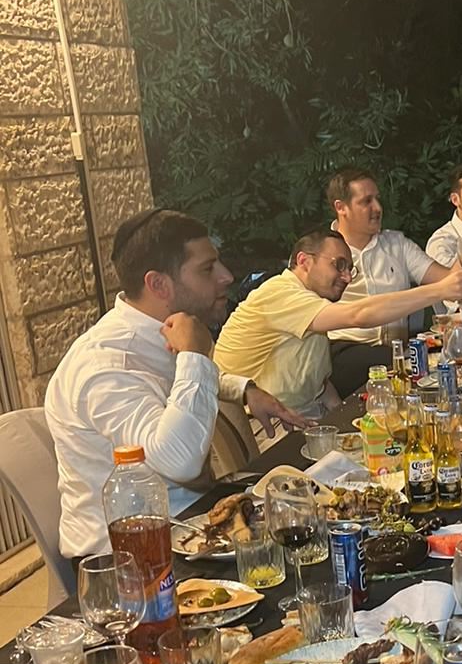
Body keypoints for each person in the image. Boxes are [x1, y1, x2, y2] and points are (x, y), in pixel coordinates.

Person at [46, 208, 306, 558]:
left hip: (190, 523)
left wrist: (242, 389)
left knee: (309, 506)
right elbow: (179, 459)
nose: (227, 276)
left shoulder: (151, 332)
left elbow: (163, 384)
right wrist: (196, 354)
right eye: (207, 269)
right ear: (159, 285)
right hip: (129, 561)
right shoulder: (104, 366)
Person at [214, 229, 462, 417]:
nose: (347, 278)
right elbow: (358, 315)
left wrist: (346, 422)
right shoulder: (281, 292)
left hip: (301, 418)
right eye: (339, 265)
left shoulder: (311, 306)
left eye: (349, 269)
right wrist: (439, 290)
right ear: (304, 261)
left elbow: (320, 386)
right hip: (264, 427)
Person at [324, 166, 462, 397]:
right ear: (341, 207)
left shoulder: (396, 244)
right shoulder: (321, 253)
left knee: (445, 360)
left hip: (396, 353)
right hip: (346, 355)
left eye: (377, 199)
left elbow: (449, 282)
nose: (378, 208)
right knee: (409, 362)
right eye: (366, 201)